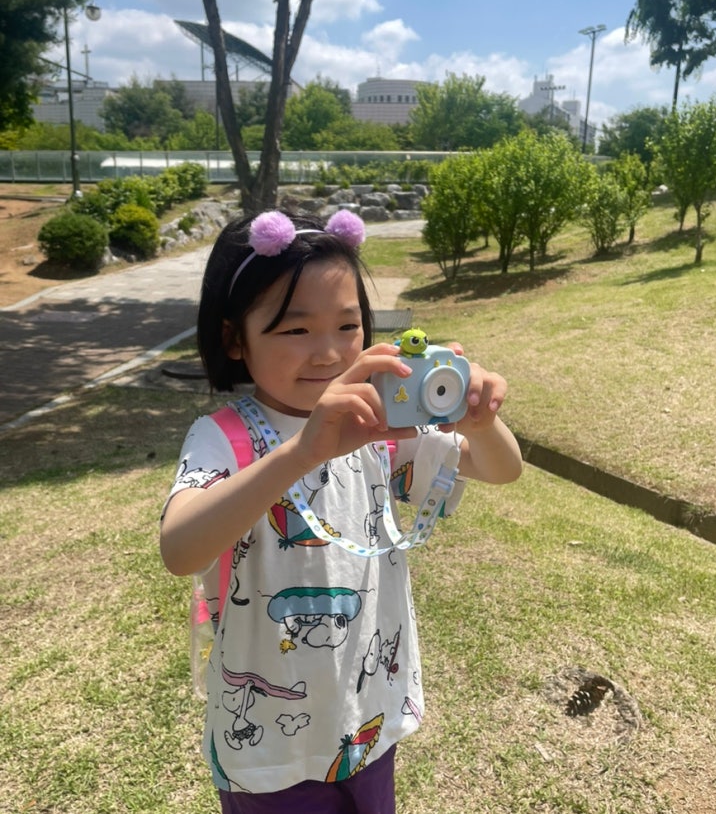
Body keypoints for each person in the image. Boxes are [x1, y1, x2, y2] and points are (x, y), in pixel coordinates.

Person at [160, 208, 523, 814]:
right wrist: (302, 451)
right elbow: (180, 549)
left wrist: (480, 423)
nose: (328, 352)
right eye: (295, 329)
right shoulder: (223, 437)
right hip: (267, 745)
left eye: (348, 325)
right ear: (234, 339)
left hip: (367, 719)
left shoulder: (379, 426)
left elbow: (501, 469)